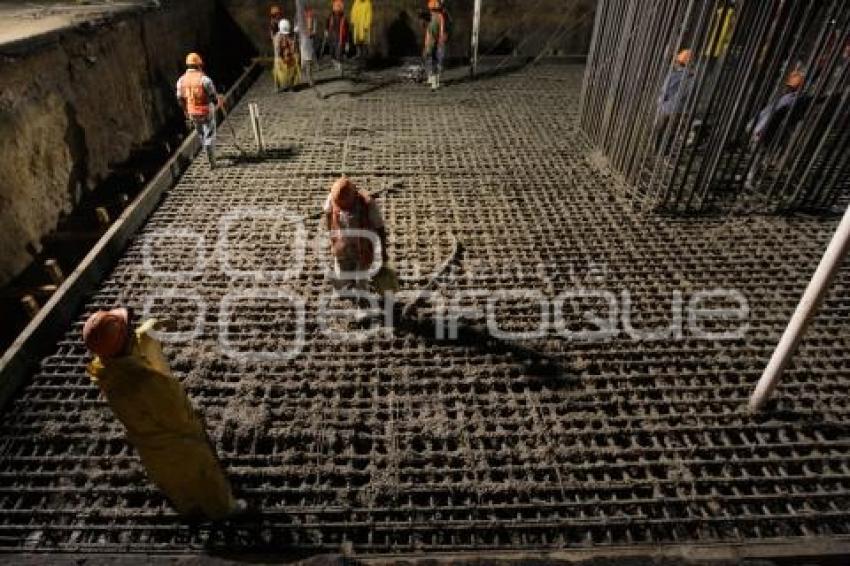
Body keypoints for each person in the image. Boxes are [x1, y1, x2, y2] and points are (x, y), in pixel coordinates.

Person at [83, 307, 241, 520]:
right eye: (128, 328)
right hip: (177, 442)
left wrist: (152, 325)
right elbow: (177, 416)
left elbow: (133, 342)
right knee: (204, 475)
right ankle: (225, 511)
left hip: (148, 446)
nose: (132, 328)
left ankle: (189, 510)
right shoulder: (146, 382)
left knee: (172, 480)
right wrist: (197, 432)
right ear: (125, 339)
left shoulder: (107, 368)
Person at [746, 70, 809, 189]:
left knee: (761, 154)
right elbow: (771, 115)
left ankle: (754, 177)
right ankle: (751, 179)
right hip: (765, 130)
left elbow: (770, 114)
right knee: (760, 154)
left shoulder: (787, 98)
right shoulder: (791, 99)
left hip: (764, 129)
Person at [323, 176, 388, 291]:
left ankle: (362, 296)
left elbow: (380, 228)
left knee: (361, 282)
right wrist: (332, 238)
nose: (343, 208)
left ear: (353, 197)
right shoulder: (333, 199)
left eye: (346, 205)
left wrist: (383, 252)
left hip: (363, 247)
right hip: (342, 247)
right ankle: (347, 284)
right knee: (343, 279)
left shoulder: (367, 204)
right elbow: (328, 215)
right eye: (340, 206)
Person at [176, 53, 220, 169]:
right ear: (199, 65)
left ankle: (207, 154)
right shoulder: (204, 79)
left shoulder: (181, 80)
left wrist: (186, 111)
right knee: (209, 134)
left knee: (201, 134)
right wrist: (217, 102)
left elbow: (180, 98)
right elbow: (213, 96)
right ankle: (212, 162)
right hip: (206, 112)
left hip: (192, 113)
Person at [655, 48, 696, 153]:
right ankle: (665, 151)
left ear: (679, 62)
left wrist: (661, 103)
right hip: (680, 110)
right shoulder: (692, 77)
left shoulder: (673, 74)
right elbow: (688, 94)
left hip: (667, 108)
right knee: (672, 131)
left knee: (661, 130)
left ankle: (658, 150)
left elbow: (664, 91)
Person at [423, 0, 450, 90]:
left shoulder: (442, 16)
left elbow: (443, 29)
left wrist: (441, 39)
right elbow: (428, 30)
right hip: (433, 40)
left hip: (438, 40)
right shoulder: (433, 16)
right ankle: (431, 78)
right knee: (430, 57)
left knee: (437, 60)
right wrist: (427, 41)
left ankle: (435, 80)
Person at [274, 19, 301, 92]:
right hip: (280, 57)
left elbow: (293, 45)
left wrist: (293, 52)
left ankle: (291, 85)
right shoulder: (277, 37)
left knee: (292, 69)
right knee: (278, 71)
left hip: (289, 55)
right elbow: (277, 49)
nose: (285, 34)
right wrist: (281, 57)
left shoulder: (290, 36)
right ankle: (277, 86)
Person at [326, 0, 350, 76]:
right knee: (332, 54)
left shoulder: (344, 19)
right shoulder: (330, 17)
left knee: (339, 54)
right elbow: (327, 24)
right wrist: (326, 31)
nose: (337, 11)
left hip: (340, 39)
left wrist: (347, 42)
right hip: (331, 38)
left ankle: (340, 69)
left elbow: (347, 32)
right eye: (335, 9)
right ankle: (336, 64)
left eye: (338, 9)